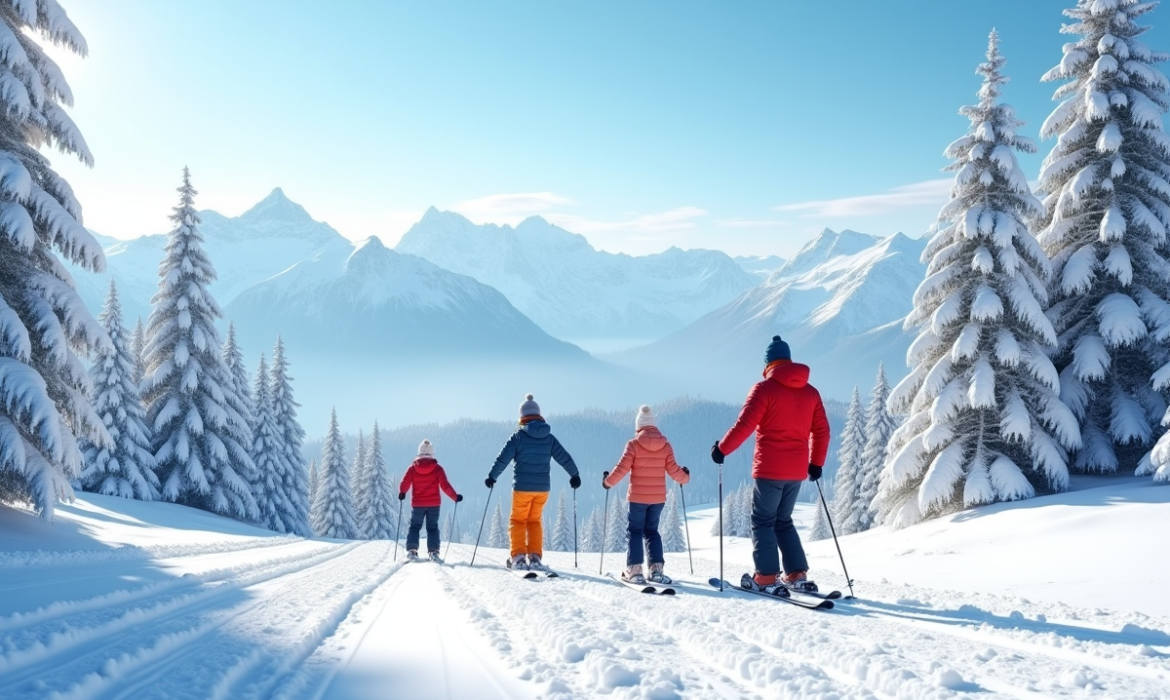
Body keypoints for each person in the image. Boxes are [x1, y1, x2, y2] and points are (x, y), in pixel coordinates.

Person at [711, 335, 830, 595]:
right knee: (783, 520)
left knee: (763, 521)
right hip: (797, 471)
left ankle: (765, 577)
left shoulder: (764, 389)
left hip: (770, 469)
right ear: (788, 360)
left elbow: (744, 425)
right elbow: (822, 431)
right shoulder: (811, 393)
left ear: (768, 363)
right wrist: (816, 463)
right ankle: (797, 574)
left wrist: (722, 449)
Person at [486, 394, 580, 571]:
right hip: (543, 489)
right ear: (539, 415)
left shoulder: (518, 437)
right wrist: (574, 475)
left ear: (522, 417)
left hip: (522, 488)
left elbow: (502, 459)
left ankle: (519, 558)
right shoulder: (549, 438)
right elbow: (564, 458)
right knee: (534, 521)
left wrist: (492, 477)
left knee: (518, 520)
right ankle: (535, 557)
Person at [602, 405, 690, 585]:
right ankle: (656, 569)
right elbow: (674, 471)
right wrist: (685, 476)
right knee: (652, 531)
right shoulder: (665, 446)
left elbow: (621, 469)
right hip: (657, 500)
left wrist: (607, 482)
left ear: (639, 426)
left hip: (637, 499)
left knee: (635, 531)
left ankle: (634, 571)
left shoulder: (633, 445)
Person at [399, 439, 461, 562]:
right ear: (432, 453)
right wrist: (455, 496)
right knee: (432, 527)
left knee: (415, 527)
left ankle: (412, 551)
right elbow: (445, 485)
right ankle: (433, 552)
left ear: (419, 452)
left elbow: (405, 482)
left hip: (417, 504)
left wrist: (402, 492)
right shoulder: (438, 469)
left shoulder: (412, 469)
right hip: (434, 504)